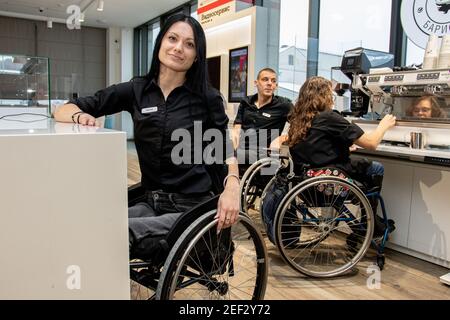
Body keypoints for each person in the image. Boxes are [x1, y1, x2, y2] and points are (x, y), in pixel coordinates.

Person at [53, 14, 240, 259]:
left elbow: (224, 148)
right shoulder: (137, 90)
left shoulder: (207, 97)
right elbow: (64, 108)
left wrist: (233, 187)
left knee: (116, 232)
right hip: (150, 201)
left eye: (189, 44)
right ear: (161, 42)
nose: (178, 48)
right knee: (90, 223)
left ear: (197, 56)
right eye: (172, 38)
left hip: (191, 205)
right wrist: (81, 117)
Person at [262, 76, 397, 242]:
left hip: (305, 183)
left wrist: (341, 145)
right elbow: (371, 143)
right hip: (327, 182)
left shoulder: (298, 119)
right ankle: (369, 225)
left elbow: (315, 145)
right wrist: (384, 124)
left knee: (359, 169)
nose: (332, 98)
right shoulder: (330, 117)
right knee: (376, 168)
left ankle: (363, 223)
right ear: (324, 96)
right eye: (330, 94)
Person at [232, 68, 293, 175]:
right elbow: (237, 129)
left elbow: (301, 126)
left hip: (264, 154)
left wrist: (281, 138)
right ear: (256, 83)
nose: (270, 83)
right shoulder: (246, 102)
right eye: (265, 79)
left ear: (276, 86)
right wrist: (233, 147)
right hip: (242, 151)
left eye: (273, 81)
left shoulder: (284, 105)